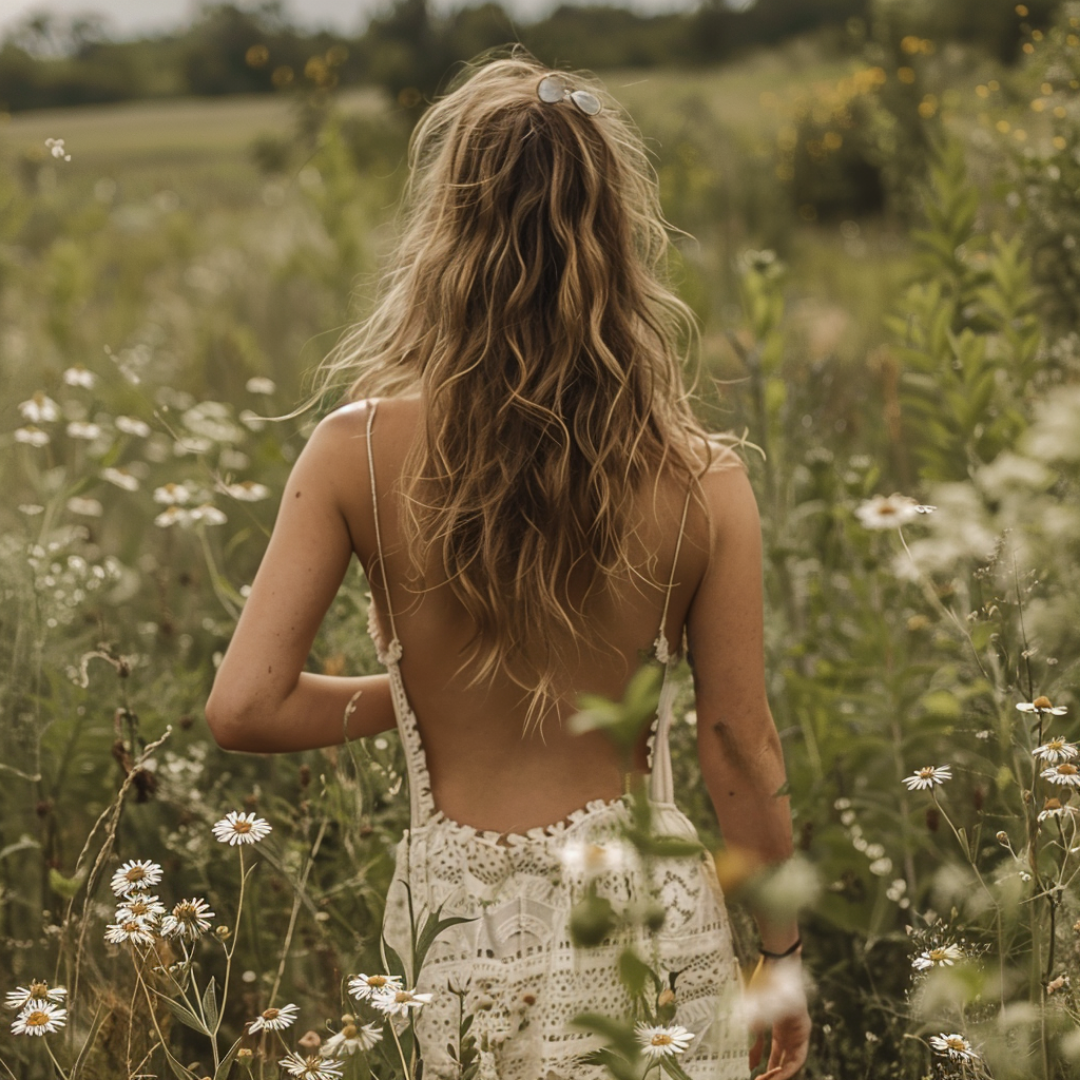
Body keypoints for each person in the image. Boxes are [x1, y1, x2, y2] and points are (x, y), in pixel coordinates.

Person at [206, 52, 809, 1080]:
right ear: (619, 236)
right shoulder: (701, 481)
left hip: (459, 936)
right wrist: (782, 956)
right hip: (648, 928)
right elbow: (735, 743)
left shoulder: (353, 452)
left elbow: (245, 708)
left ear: (448, 235)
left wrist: (417, 696)